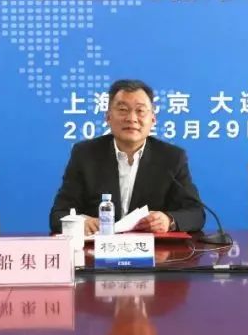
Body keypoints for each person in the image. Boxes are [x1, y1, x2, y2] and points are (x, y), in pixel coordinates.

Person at [49, 79, 205, 235]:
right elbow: (58, 214)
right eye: (123, 110)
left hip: (152, 249)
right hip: (97, 247)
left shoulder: (171, 158)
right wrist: (80, 222)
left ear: (153, 119)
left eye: (140, 110)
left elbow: (196, 214)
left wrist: (169, 220)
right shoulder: (85, 154)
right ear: (108, 117)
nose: (131, 118)